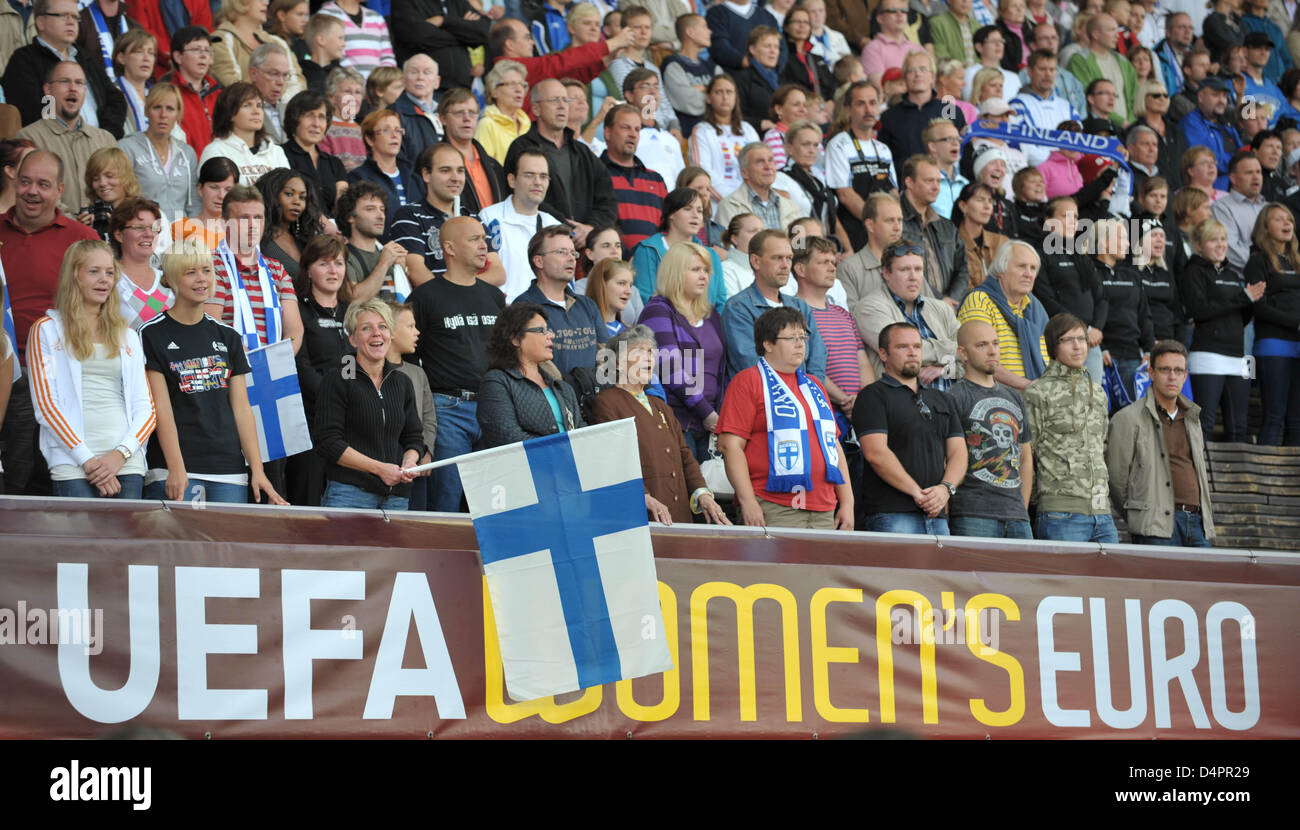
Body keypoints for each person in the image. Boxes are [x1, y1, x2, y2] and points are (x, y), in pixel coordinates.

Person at [140, 239, 284, 505]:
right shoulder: (151, 333)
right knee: (175, 546)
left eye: (207, 270)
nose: (202, 279)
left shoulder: (228, 336)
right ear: (170, 279)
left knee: (225, 546)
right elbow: (160, 408)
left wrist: (257, 468)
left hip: (228, 468)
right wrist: (176, 467)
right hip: (175, 468)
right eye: (190, 272)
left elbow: (242, 408)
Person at [0, 150, 100, 496]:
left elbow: (100, 308)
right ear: (14, 181)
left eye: (43, 185)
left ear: (59, 190)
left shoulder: (82, 239)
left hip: (49, 374)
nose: (32, 191)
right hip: (1, 365)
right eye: (25, 182)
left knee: (23, 474)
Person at [26, 238, 154, 499]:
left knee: (125, 540)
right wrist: (89, 461)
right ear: (74, 276)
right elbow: (46, 406)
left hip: (125, 460)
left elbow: (147, 408)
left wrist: (120, 455)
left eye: (109, 273)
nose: (104, 280)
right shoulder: (45, 331)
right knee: (83, 540)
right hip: (72, 462)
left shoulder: (127, 335)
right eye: (93, 271)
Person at [716, 306, 852, 529]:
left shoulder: (815, 385)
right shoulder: (748, 381)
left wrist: (847, 502)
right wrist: (747, 500)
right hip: (773, 505)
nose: (800, 344)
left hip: (824, 507)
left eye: (802, 337)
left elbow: (834, 447)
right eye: (791, 338)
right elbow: (730, 446)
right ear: (767, 344)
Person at [409, 216, 505, 511]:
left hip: (492, 407)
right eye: (474, 239)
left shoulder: (494, 296)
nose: (484, 245)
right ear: (449, 248)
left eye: (484, 239)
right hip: (447, 410)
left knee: (493, 505)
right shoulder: (425, 296)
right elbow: (410, 361)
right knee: (445, 502)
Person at [590, 326, 729, 524]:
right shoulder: (607, 402)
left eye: (650, 352)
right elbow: (613, 459)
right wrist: (642, 496)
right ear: (617, 364)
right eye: (638, 351)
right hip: (643, 516)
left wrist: (702, 493)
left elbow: (685, 455)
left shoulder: (660, 405)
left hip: (678, 515)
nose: (648, 358)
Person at [855, 321, 966, 534]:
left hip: (937, 514)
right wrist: (918, 494)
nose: (912, 352)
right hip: (892, 513)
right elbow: (875, 453)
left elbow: (958, 452)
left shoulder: (943, 399)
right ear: (883, 354)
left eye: (917, 346)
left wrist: (945, 489)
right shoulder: (872, 396)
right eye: (902, 347)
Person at [314, 297, 425, 510]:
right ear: (353, 339)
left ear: (391, 335)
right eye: (366, 328)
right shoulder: (338, 379)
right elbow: (328, 442)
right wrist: (379, 469)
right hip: (349, 495)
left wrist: (410, 461)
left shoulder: (402, 381)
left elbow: (413, 437)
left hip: (397, 498)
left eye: (383, 327)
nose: (377, 333)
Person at [1106, 338, 1216, 546]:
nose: (1172, 376)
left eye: (1178, 370)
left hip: (1198, 523)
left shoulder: (1193, 418)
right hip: (1155, 525)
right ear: (1152, 372)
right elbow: (1117, 479)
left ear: (1186, 376)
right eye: (1165, 369)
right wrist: (1141, 514)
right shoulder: (1127, 418)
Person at [1022, 312, 1116, 542]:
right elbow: (1026, 455)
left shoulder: (1099, 393)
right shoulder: (1038, 393)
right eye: (1068, 340)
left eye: (1082, 339)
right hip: (1060, 514)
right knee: (1063, 580)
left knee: (1112, 578)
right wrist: (1041, 502)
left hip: (1102, 512)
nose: (1078, 346)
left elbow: (1099, 445)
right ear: (1054, 346)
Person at [636, 241, 727, 459]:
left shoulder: (711, 314)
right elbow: (669, 369)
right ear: (675, 272)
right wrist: (707, 413)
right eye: (695, 269)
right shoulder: (658, 310)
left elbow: (723, 370)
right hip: (676, 421)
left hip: (712, 424)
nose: (704, 276)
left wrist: (721, 415)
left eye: (706, 270)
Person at [504, 79, 620, 248]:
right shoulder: (521, 148)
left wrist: (590, 228)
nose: (562, 106)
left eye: (565, 100)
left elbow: (608, 199)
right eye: (554, 100)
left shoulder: (582, 152)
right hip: (538, 243)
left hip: (585, 245)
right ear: (536, 108)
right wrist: (569, 228)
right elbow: (523, 195)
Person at [946, 320, 1034, 539]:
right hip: (972, 513)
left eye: (995, 343)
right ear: (963, 353)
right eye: (982, 345)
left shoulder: (1014, 396)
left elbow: (1026, 459)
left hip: (1017, 515)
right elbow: (945, 459)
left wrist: (1021, 507)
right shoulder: (954, 397)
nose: (992, 350)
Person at [1183, 217, 1265, 441]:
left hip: (1237, 356)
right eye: (1213, 240)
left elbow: (1241, 317)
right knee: (1205, 423)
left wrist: (1250, 301)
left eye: (1223, 239)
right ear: (1199, 245)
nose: (1221, 245)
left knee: (1239, 426)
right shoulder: (1193, 272)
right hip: (1208, 355)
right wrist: (1242, 298)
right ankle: (1203, 475)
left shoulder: (1232, 275)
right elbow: (1198, 311)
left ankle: (1235, 476)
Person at [1, 0, 127, 139]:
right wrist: (66, 138)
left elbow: (116, 99)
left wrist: (104, 135)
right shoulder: (24, 60)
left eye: (74, 16)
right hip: (53, 149)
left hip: (98, 147)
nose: (71, 22)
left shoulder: (84, 57)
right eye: (63, 15)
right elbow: (32, 111)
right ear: (41, 22)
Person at [288, 234, 352, 506]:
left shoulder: (351, 313)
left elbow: (351, 361)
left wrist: (348, 398)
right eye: (324, 264)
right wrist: (331, 397)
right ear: (309, 270)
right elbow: (300, 363)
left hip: (346, 420)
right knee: (309, 497)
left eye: (338, 263)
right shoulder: (298, 311)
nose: (333, 271)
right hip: (309, 420)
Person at [205, 184, 304, 355]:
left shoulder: (277, 269)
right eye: (244, 218)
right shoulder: (209, 267)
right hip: (230, 371)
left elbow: (295, 331)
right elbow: (212, 326)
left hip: (276, 370)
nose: (253, 225)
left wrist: (279, 361)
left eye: (258, 218)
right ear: (223, 223)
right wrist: (256, 363)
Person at [390, 143, 503, 288]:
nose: (456, 178)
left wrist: (463, 293)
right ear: (426, 174)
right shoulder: (409, 216)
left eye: (460, 171)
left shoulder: (473, 218)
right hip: (432, 308)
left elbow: (498, 273)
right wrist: (449, 299)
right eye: (445, 170)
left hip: (473, 306)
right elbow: (416, 272)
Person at [14, 62, 119, 219]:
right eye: (64, 81)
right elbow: (29, 193)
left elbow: (122, 190)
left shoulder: (106, 139)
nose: (73, 88)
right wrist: (73, 222)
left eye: (79, 83)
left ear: (85, 90)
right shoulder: (29, 138)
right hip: (52, 235)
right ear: (48, 90)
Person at [476, 300, 586, 447]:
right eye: (541, 331)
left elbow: (581, 431)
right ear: (515, 339)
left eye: (549, 330)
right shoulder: (496, 383)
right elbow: (507, 437)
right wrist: (560, 450)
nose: (551, 336)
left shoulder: (562, 387)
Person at [855, 238, 961, 389]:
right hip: (903, 403)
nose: (913, 277)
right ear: (886, 273)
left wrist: (945, 370)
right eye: (904, 270)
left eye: (918, 270)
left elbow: (971, 358)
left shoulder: (942, 308)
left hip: (951, 402)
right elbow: (903, 354)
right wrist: (954, 350)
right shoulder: (869, 308)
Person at [722, 229, 827, 378]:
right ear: (756, 261)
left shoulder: (801, 307)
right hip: (762, 398)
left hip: (804, 396)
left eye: (789, 258)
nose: (785, 265)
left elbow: (817, 360)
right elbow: (750, 364)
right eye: (777, 258)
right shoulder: (738, 308)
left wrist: (809, 393)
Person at [794, 235, 871, 422]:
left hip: (860, 412)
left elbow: (863, 363)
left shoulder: (843, 314)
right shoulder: (793, 313)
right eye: (823, 262)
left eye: (833, 262)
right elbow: (803, 366)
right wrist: (845, 400)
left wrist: (866, 400)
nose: (832, 268)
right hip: (821, 413)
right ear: (801, 269)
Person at [515, 225, 608, 377]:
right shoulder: (523, 307)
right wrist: (568, 391)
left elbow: (606, 353)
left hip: (593, 396)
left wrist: (597, 388)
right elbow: (534, 361)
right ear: (539, 261)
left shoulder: (587, 305)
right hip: (549, 397)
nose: (571, 258)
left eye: (573, 253)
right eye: (562, 252)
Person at [957, 240, 1049, 391]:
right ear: (1001, 270)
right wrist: (1026, 385)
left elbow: (1050, 359)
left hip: (1035, 397)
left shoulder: (1037, 309)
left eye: (1033, 268)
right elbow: (979, 359)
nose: (1028, 274)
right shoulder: (979, 300)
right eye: (1021, 266)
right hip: (992, 398)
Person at [1034, 195, 1108, 382]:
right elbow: (1045, 298)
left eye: (1075, 217)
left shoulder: (1081, 256)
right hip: (1060, 338)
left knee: (1092, 402)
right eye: (1065, 216)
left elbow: (1101, 297)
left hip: (1090, 340)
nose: (1072, 222)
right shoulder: (1040, 254)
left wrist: (1096, 328)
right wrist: (1081, 329)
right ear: (1049, 222)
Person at [1247, 202, 1300, 444]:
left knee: (1297, 419)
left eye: (1289, 219)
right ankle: (1262, 482)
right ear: (1265, 227)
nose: (1287, 223)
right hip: (1273, 343)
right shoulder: (1258, 261)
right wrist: (1294, 323)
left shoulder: (1297, 261)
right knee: (1274, 415)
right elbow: (1258, 306)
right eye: (1279, 219)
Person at [479, 149, 561, 303]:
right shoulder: (489, 217)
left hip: (546, 317)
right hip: (502, 315)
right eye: (529, 175)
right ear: (511, 180)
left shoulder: (555, 226)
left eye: (543, 176)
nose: (537, 182)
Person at [1084, 218, 1152, 399]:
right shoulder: (1089, 272)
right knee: (1101, 416)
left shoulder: (1132, 273)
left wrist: (1148, 349)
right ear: (1104, 243)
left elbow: (1144, 314)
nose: (1128, 243)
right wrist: (1101, 348)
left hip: (1131, 355)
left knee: (1132, 416)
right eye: (1122, 238)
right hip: (1099, 354)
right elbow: (1088, 313)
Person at [877, 51, 968, 183]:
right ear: (905, 78)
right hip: (905, 188)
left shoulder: (950, 111)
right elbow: (884, 161)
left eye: (923, 69)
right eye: (911, 70)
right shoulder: (889, 117)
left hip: (947, 186)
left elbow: (962, 153)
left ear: (933, 76)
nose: (917, 74)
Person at [117, 84, 200, 222]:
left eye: (170, 109)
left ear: (178, 114)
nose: (163, 115)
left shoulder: (187, 153)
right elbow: (120, 199)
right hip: (145, 231)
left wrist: (192, 234)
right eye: (157, 107)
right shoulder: (127, 147)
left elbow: (195, 203)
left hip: (182, 235)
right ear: (146, 111)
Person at [631, 188, 726, 308]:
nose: (695, 215)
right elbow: (646, 300)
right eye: (687, 209)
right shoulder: (648, 250)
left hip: (706, 324)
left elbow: (720, 303)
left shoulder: (711, 255)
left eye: (700, 211)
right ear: (671, 214)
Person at [899, 154, 971, 309]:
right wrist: (939, 301)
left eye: (938, 181)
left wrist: (951, 300)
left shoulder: (947, 226)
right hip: (909, 308)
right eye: (929, 181)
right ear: (909, 182)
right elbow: (897, 268)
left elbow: (963, 269)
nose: (936, 187)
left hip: (948, 309)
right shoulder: (895, 220)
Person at [385, 300, 437, 512]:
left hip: (415, 466)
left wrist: (427, 450)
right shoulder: (362, 370)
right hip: (382, 467)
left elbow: (428, 417)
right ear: (391, 331)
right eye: (410, 326)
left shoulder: (418, 373)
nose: (417, 332)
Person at [601, 102, 669, 256]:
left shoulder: (656, 179)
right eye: (626, 128)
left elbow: (668, 228)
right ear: (607, 133)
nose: (633, 134)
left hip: (653, 267)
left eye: (637, 129)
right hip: (612, 267)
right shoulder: (595, 173)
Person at [344, 108, 422, 238]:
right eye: (386, 130)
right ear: (369, 139)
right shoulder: (358, 178)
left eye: (398, 130)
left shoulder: (414, 176)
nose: (394, 135)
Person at [199, 82, 291, 186]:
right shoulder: (216, 150)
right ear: (229, 113)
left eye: (259, 105)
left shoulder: (276, 151)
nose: (256, 111)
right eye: (247, 105)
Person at [211, 0, 306, 100]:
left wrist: (279, 109)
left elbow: (298, 84)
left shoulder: (278, 42)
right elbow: (232, 87)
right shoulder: (219, 40)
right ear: (240, 2)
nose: (266, 3)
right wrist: (263, 107)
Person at [688, 74, 761, 205]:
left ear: (735, 97)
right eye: (719, 92)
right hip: (719, 205)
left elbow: (760, 165)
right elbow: (702, 172)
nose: (725, 97)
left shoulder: (748, 129)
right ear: (709, 98)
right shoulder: (701, 131)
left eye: (729, 92)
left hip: (752, 201)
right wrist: (732, 201)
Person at [335, 180, 409, 302]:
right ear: (350, 217)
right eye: (371, 209)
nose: (381, 216)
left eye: (382, 209)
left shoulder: (388, 254)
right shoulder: (342, 255)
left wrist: (403, 270)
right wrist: (384, 264)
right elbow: (353, 299)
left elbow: (405, 300)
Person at [439, 87, 506, 215]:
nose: (467, 118)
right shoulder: (435, 162)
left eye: (472, 113)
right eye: (459, 113)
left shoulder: (494, 166)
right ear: (442, 119)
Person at [281, 89, 347, 216]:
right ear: (294, 119)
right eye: (309, 116)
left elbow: (343, 205)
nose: (316, 124)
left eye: (321, 117)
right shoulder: (279, 154)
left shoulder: (335, 163)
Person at [161, 26, 223, 157]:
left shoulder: (221, 93)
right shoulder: (167, 93)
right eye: (196, 49)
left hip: (221, 170)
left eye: (207, 50)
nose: (203, 55)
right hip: (186, 170)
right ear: (178, 57)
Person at [838, 192, 906, 309]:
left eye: (899, 220)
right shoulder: (848, 269)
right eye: (890, 221)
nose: (897, 227)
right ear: (870, 225)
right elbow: (848, 318)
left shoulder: (910, 263)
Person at [255, 168, 324, 282]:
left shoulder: (305, 240)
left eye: (302, 197)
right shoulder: (256, 239)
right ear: (271, 195)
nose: (297, 201)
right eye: (289, 194)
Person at [111, 198, 170, 332]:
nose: (149, 234)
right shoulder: (109, 280)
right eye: (139, 227)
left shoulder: (168, 280)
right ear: (119, 235)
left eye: (154, 228)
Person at [1067, 12, 1138, 123]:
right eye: (1111, 30)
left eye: (1117, 30)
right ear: (1095, 34)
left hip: (1127, 129)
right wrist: (1121, 122)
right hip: (1098, 127)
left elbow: (1135, 97)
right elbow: (1085, 96)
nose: (1117, 35)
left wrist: (1131, 123)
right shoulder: (1080, 60)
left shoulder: (1124, 62)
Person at [715, 142, 801, 231]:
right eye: (759, 162)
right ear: (745, 173)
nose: (768, 166)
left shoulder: (792, 207)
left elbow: (799, 244)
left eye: (771, 160)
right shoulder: (729, 207)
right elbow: (726, 244)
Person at [662, 13, 722, 137]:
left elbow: (728, 100)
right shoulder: (672, 64)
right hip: (689, 136)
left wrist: (702, 89)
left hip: (719, 134)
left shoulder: (713, 67)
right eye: (705, 27)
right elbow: (687, 102)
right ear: (690, 32)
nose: (710, 31)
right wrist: (712, 92)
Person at [1178, 76, 1242, 192]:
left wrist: (1242, 96)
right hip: (1210, 193)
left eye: (1224, 96)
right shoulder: (1191, 124)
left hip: (1235, 190)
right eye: (1215, 95)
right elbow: (1212, 162)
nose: (1222, 100)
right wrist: (1240, 164)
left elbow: (1250, 124)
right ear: (1201, 97)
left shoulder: (1226, 122)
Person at [1211, 150, 1269, 271]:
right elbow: (1229, 249)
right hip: (1244, 282)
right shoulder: (1222, 207)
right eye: (1249, 173)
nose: (1256, 177)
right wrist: (1268, 267)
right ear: (1233, 178)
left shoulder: (1269, 208)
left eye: (1258, 172)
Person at [317, 0, 396, 81]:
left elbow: (387, 55)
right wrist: (358, 83)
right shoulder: (327, 15)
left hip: (378, 89)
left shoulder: (376, 17)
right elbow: (334, 55)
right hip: (346, 86)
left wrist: (382, 83)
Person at [953, 183, 1009, 294]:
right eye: (980, 200)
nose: (987, 206)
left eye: (990, 201)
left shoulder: (1002, 242)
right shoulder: (951, 243)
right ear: (963, 206)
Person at [173, 157, 238, 250]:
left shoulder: (241, 229)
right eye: (214, 187)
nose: (221, 196)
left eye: (228, 189)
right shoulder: (181, 229)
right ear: (200, 189)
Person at [78, 147, 141, 242]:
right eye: (95, 179)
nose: (102, 183)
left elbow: (156, 254)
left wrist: (123, 230)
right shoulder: (91, 216)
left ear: (126, 177)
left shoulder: (147, 214)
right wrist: (81, 232)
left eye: (109, 176)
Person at [475, 59, 531, 165]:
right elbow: (484, 168)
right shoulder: (487, 125)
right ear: (494, 91)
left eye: (522, 85)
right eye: (512, 84)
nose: (519, 89)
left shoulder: (528, 125)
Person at [111, 28, 158, 137]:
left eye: (151, 53)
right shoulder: (111, 94)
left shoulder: (159, 95)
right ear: (121, 58)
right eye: (139, 52)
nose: (147, 58)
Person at [584, 256, 635, 337]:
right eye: (621, 283)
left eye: (630, 285)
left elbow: (622, 350)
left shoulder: (625, 332)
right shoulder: (583, 330)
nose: (629, 292)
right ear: (601, 285)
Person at [720, 212, 764, 300]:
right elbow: (732, 309)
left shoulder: (775, 266)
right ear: (735, 239)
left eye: (762, 231)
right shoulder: (725, 270)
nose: (760, 236)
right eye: (752, 231)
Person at [300, 13, 345, 94]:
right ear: (321, 40)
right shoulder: (299, 73)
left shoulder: (343, 75)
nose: (344, 44)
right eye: (340, 38)